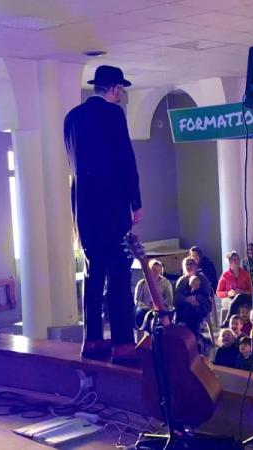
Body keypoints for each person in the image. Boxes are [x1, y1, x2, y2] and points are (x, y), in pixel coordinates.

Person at [64, 65, 142, 364]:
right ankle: (123, 343)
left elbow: (74, 165)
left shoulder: (71, 118)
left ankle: (93, 340)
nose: (121, 94)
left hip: (83, 211)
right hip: (111, 207)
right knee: (119, 275)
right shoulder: (113, 115)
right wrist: (136, 202)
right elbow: (125, 160)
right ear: (114, 89)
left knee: (92, 274)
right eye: (121, 89)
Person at [174, 257, 212, 343]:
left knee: (191, 312)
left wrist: (196, 298)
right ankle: (193, 337)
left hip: (201, 304)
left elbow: (207, 293)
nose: (189, 266)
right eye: (186, 264)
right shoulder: (182, 280)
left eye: (191, 264)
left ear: (195, 266)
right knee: (187, 310)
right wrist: (187, 299)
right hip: (185, 306)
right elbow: (177, 295)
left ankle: (194, 338)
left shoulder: (202, 278)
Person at [133, 259, 174, 329]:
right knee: (140, 315)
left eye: (159, 270)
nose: (156, 273)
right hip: (145, 309)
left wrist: (160, 304)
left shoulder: (165, 282)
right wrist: (147, 306)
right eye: (154, 270)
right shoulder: (142, 283)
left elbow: (169, 298)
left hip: (161, 309)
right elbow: (137, 300)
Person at [218, 251, 253, 326]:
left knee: (239, 296)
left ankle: (227, 320)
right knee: (236, 299)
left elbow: (251, 291)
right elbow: (218, 292)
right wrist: (228, 293)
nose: (237, 261)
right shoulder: (225, 276)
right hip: (230, 298)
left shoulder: (245, 274)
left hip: (244, 297)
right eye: (234, 260)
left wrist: (241, 291)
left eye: (238, 259)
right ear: (230, 262)